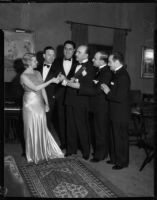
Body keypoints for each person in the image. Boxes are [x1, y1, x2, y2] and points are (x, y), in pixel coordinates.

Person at [20, 53, 64, 164]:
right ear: (29, 63)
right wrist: (51, 81)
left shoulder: (38, 72)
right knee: (31, 127)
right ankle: (33, 154)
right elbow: (35, 88)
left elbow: (42, 89)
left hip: (39, 102)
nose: (37, 62)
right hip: (30, 104)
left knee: (42, 125)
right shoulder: (23, 76)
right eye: (34, 61)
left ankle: (43, 152)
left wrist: (47, 103)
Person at [60, 45, 96, 160]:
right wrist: (66, 79)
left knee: (82, 127)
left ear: (86, 55)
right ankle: (71, 149)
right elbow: (74, 79)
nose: (75, 54)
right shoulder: (76, 65)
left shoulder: (90, 67)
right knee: (70, 126)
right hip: (70, 99)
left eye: (79, 52)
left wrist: (65, 82)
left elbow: (82, 85)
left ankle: (86, 151)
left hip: (81, 101)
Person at [101, 51, 131, 170]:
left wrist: (107, 91)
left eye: (110, 62)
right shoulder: (117, 73)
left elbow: (119, 97)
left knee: (120, 138)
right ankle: (114, 158)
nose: (108, 64)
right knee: (114, 137)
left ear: (117, 61)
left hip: (121, 113)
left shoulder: (123, 75)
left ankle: (122, 162)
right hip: (115, 112)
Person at [89, 51, 113, 162]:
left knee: (100, 131)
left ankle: (100, 155)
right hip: (97, 105)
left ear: (102, 61)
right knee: (98, 130)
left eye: (95, 58)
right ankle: (101, 152)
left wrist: (82, 87)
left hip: (102, 107)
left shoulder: (106, 72)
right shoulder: (99, 71)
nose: (93, 60)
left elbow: (97, 89)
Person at [54, 40, 77, 150]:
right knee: (61, 121)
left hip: (74, 96)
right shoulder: (56, 61)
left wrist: (66, 80)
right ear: (63, 49)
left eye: (70, 49)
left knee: (72, 121)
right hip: (60, 96)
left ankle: (73, 144)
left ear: (74, 50)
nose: (67, 51)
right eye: (65, 48)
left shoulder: (79, 63)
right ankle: (63, 143)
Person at [37, 46, 58, 133]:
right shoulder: (36, 67)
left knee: (46, 122)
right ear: (44, 55)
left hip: (49, 99)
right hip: (36, 98)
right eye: (49, 55)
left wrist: (54, 96)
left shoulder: (58, 69)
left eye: (53, 55)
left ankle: (47, 144)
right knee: (36, 121)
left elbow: (62, 86)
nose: (52, 57)